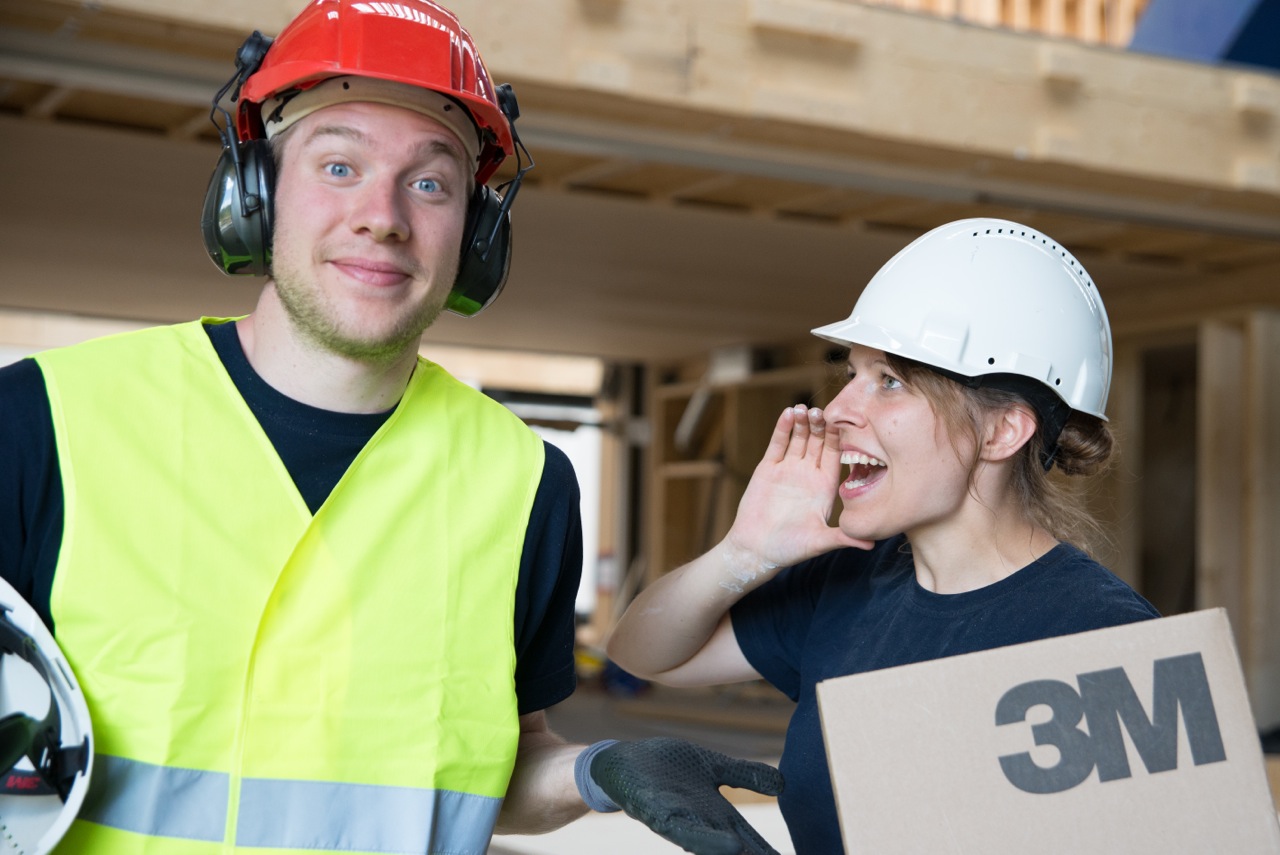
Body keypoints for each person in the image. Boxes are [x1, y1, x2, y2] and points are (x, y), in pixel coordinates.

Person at [0, 1, 782, 852]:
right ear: (254, 192)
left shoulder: (524, 484)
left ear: (475, 236)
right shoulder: (45, 423)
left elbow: (496, 767)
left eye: (430, 182)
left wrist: (599, 770)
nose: (384, 215)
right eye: (340, 166)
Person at [606, 218, 1162, 854]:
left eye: (890, 381)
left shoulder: (1105, 638)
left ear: (1002, 432)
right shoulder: (848, 583)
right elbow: (641, 652)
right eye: (852, 374)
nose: (839, 410)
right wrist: (745, 553)